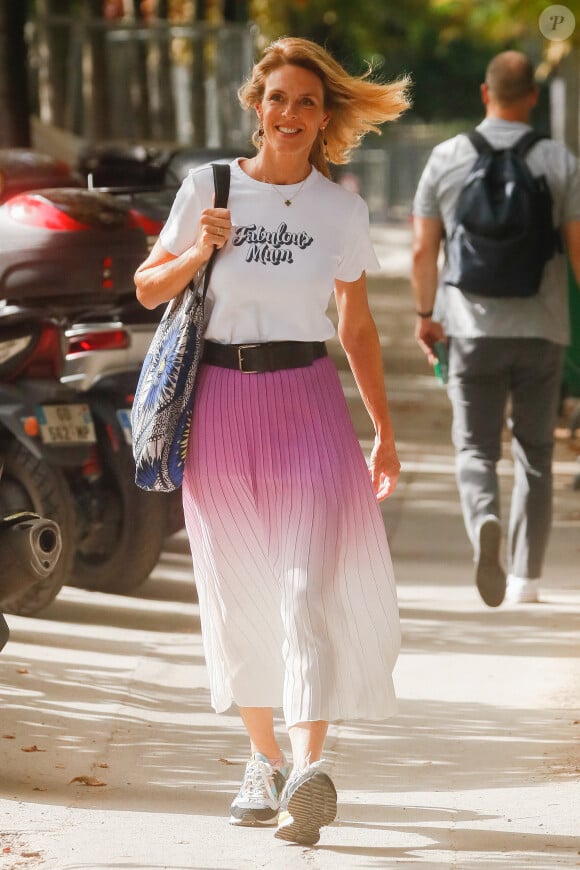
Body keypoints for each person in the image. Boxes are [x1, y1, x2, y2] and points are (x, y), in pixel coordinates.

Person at [134, 37, 410, 846]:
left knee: (302, 592)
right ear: (257, 106)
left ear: (326, 120)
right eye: (278, 99)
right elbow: (149, 286)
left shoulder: (340, 210)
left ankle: (308, 770)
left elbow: (355, 324)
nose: (289, 115)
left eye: (307, 103)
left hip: (307, 404)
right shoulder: (208, 187)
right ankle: (262, 759)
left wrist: (384, 430)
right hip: (217, 404)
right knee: (236, 595)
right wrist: (200, 248)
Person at [411, 51, 580, 608]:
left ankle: (483, 515)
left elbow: (423, 248)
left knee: (476, 449)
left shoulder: (447, 158)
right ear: (531, 96)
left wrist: (425, 314)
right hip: (542, 330)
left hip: (470, 329)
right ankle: (527, 580)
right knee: (535, 453)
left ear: (485, 95)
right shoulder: (559, 161)